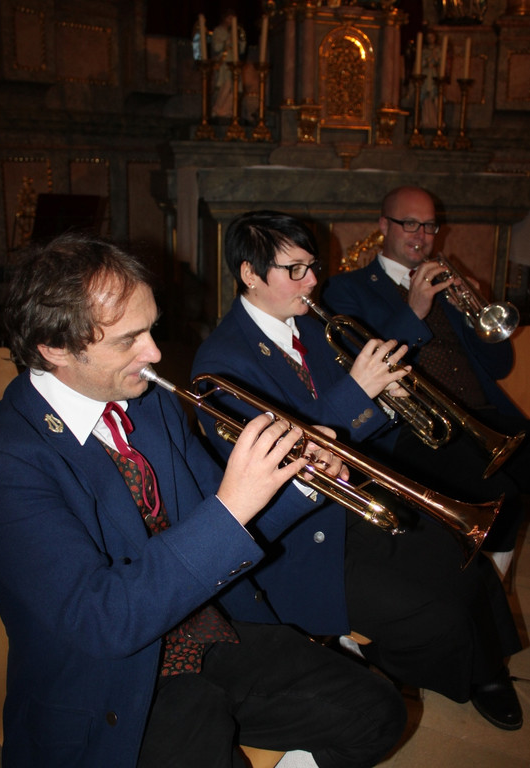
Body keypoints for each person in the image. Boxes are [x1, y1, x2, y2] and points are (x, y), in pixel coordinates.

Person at [0, 233, 408, 768]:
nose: (155, 353)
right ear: (55, 348)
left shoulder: (150, 407)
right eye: (129, 339)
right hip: (106, 686)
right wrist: (234, 506)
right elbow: (102, 620)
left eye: (152, 328)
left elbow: (219, 519)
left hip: (208, 630)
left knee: (376, 711)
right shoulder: (8, 455)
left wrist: (297, 479)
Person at [191, 209, 523, 732]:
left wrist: (387, 400)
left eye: (312, 266)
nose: (313, 280)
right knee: (424, 607)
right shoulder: (222, 363)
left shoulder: (305, 326)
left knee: (460, 556)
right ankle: (420, 667)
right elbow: (281, 465)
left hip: (353, 503)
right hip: (302, 536)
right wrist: (357, 393)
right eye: (294, 269)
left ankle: (489, 669)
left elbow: (356, 428)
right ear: (249, 275)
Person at [322, 185, 530, 578]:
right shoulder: (347, 288)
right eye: (411, 224)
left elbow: (499, 365)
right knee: (502, 500)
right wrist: (413, 309)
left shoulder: (449, 285)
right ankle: (489, 591)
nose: (422, 236)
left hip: (484, 417)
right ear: (384, 226)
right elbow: (356, 360)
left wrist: (475, 314)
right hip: (420, 428)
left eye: (430, 226)